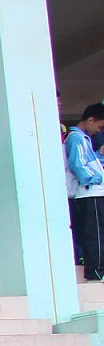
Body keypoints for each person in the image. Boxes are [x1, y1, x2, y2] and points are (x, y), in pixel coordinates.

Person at [67, 104, 104, 281]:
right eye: (100, 126)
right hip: (90, 193)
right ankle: (96, 271)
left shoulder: (84, 139)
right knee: (95, 235)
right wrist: (95, 178)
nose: (99, 130)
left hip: (94, 192)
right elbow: (78, 163)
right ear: (90, 120)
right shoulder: (76, 138)